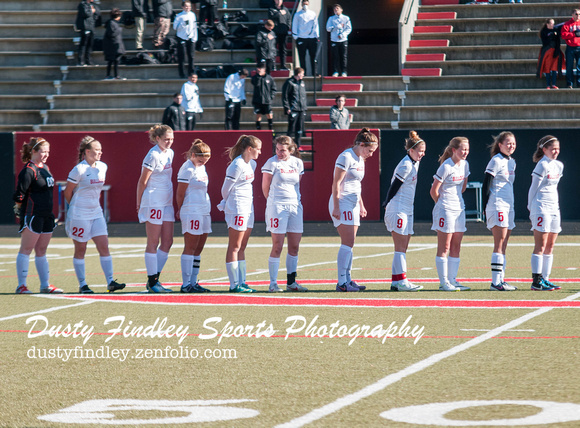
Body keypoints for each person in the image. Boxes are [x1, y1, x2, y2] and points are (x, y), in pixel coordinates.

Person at [64, 136, 126, 294]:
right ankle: (83, 284)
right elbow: (68, 191)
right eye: (96, 150)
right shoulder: (79, 169)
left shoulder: (103, 167)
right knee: (80, 249)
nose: (100, 152)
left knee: (104, 246)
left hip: (96, 212)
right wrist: (75, 209)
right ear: (87, 152)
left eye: (101, 150)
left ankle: (111, 281)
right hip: (80, 214)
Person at [329, 128, 379, 292]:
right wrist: (336, 206)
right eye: (370, 150)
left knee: (350, 244)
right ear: (361, 144)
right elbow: (336, 183)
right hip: (342, 202)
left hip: (353, 203)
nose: (371, 154)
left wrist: (361, 204)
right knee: (347, 242)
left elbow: (356, 185)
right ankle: (341, 282)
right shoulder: (346, 156)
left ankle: (348, 279)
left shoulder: (360, 159)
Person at [13, 137, 62, 294]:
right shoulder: (29, 170)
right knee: (26, 249)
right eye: (43, 151)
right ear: (34, 151)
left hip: (47, 215)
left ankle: (45, 285)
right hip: (33, 214)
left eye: (48, 152)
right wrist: (20, 209)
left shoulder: (45, 167)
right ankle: (21, 285)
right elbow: (19, 194)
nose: (46, 154)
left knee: (42, 250)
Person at [262, 136, 307, 292]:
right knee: (277, 246)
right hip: (277, 207)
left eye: (283, 150)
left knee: (294, 246)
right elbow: (265, 186)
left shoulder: (297, 163)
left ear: (291, 150)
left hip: (295, 206)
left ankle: (291, 282)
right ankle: (273, 284)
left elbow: (297, 184)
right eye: (277, 149)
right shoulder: (271, 163)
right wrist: (273, 204)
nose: (279, 153)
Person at [217, 135, 262, 293]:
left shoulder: (252, 164)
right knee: (234, 246)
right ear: (249, 149)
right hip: (237, 207)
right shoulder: (236, 165)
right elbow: (225, 189)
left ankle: (242, 282)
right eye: (258, 149)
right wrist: (226, 203)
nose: (260, 152)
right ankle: (233, 284)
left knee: (242, 246)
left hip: (248, 207)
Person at [383, 131, 426, 292]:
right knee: (400, 247)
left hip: (408, 209)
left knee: (403, 247)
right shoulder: (406, 164)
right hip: (398, 208)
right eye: (420, 151)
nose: (423, 154)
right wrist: (386, 203)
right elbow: (394, 186)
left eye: (423, 150)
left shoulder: (415, 162)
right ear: (411, 150)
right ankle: (402, 281)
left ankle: (396, 281)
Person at [136, 124, 175, 293]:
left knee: (168, 241)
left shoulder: (170, 153)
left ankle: (155, 278)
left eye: (172, 139)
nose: (169, 142)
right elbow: (142, 181)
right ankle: (152, 282)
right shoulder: (153, 155)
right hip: (153, 201)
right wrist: (139, 203)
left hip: (166, 201)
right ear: (157, 138)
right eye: (166, 139)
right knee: (153, 242)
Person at [429, 137, 472, 292]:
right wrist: (442, 205)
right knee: (444, 246)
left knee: (456, 246)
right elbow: (433, 191)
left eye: (467, 149)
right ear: (454, 150)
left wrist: (455, 201)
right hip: (445, 209)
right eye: (462, 149)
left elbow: (463, 187)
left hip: (459, 208)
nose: (465, 152)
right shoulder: (446, 166)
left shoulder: (465, 165)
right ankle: (444, 282)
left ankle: (453, 280)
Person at [482, 132, 518, 291]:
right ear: (500, 145)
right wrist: (484, 207)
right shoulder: (495, 160)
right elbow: (486, 185)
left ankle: (501, 280)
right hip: (497, 205)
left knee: (504, 244)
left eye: (513, 143)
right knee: (499, 243)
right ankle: (495, 282)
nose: (511, 146)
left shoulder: (512, 162)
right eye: (508, 143)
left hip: (509, 205)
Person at [528, 135, 564, 291]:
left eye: (557, 149)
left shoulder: (559, 165)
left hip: (554, 207)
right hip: (541, 207)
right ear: (544, 150)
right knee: (540, 246)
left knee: (550, 245)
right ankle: (536, 281)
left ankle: (546, 278)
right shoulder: (541, 165)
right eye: (552, 149)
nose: (555, 152)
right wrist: (531, 208)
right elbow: (533, 188)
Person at [176, 140, 212, 293]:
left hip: (204, 210)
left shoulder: (201, 167)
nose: (203, 162)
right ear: (192, 155)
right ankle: (186, 284)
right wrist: (180, 209)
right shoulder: (187, 169)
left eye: (206, 159)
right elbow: (180, 193)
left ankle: (193, 282)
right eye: (200, 159)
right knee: (190, 247)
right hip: (192, 210)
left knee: (199, 248)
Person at [292, 0, 320, 76]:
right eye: (304, 4)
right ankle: (303, 73)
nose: (305, 5)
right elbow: (294, 25)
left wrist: (316, 35)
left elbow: (316, 25)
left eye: (306, 4)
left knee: (313, 57)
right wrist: (296, 36)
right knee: (302, 57)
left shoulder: (313, 13)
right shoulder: (297, 15)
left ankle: (315, 73)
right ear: (301, 4)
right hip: (301, 38)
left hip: (312, 38)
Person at [537, 18, 565, 89]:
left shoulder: (555, 30)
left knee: (554, 68)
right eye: (551, 23)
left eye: (553, 23)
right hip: (547, 51)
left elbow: (558, 42)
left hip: (555, 51)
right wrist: (551, 35)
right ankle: (548, 85)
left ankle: (554, 84)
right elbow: (545, 42)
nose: (553, 25)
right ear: (547, 24)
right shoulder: (544, 31)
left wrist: (557, 50)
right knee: (547, 68)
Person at [282, 67, 307, 145]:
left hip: (301, 109)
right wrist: (287, 108)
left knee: (299, 128)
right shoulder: (289, 82)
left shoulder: (302, 83)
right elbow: (284, 96)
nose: (303, 75)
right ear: (299, 74)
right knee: (291, 128)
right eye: (302, 74)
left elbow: (303, 96)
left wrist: (304, 107)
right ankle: (288, 145)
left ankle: (298, 145)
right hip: (293, 109)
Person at [174, 0, 198, 79]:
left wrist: (195, 37)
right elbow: (175, 27)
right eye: (186, 6)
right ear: (183, 7)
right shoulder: (179, 16)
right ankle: (182, 73)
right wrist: (182, 24)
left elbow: (194, 27)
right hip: (182, 37)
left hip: (191, 38)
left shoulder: (192, 15)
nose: (188, 8)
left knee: (191, 56)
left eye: (189, 6)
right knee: (182, 56)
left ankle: (191, 72)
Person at [326, 4, 351, 77]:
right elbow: (328, 28)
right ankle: (335, 71)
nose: (336, 10)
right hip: (334, 40)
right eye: (334, 9)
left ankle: (344, 71)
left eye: (337, 8)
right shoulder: (331, 18)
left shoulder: (346, 18)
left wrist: (343, 35)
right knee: (335, 56)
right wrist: (337, 27)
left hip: (343, 40)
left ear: (341, 10)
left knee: (343, 56)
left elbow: (349, 28)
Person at [251, 63, 277, 130]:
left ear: (264, 69)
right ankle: (258, 129)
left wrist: (270, 97)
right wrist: (259, 77)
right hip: (258, 100)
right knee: (258, 115)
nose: (259, 70)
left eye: (260, 68)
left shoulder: (269, 78)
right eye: (258, 68)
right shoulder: (255, 78)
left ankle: (271, 129)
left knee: (269, 114)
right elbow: (255, 84)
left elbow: (273, 89)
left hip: (267, 101)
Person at [75, 0, 101, 66]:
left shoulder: (93, 5)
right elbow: (85, 13)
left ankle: (88, 60)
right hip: (85, 26)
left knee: (90, 44)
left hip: (91, 26)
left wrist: (94, 13)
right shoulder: (82, 4)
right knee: (83, 44)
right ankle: (80, 61)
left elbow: (97, 13)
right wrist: (91, 11)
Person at [103, 8, 126, 80]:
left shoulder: (112, 23)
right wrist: (119, 30)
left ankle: (116, 75)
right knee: (112, 61)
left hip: (114, 46)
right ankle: (110, 75)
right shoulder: (112, 23)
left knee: (115, 61)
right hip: (113, 46)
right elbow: (111, 34)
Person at [268, 0, 292, 71]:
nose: (278, 1)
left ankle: (283, 66)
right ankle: (273, 66)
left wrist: (287, 27)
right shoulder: (271, 9)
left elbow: (289, 19)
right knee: (273, 49)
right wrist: (279, 13)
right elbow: (271, 18)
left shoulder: (285, 9)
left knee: (283, 50)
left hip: (284, 33)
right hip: (274, 32)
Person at [561, 9, 580, 88]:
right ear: (572, 14)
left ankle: (579, 83)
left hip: (579, 47)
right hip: (570, 47)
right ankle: (570, 83)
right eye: (576, 14)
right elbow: (563, 35)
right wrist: (573, 34)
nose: (578, 16)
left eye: (579, 14)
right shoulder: (567, 24)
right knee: (569, 66)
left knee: (579, 66)